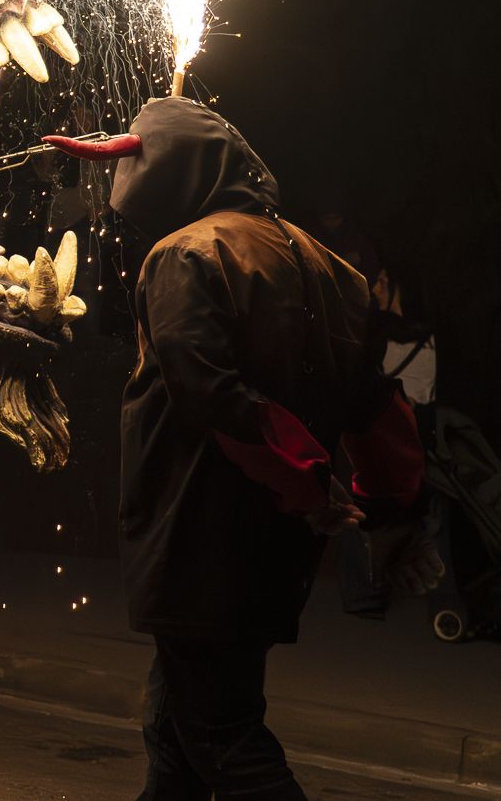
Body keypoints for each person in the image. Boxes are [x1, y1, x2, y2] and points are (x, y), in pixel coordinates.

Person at [47, 99, 442, 799]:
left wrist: (309, 486)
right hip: (271, 545)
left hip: (197, 534)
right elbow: (376, 408)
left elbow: (214, 396)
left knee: (222, 734)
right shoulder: (336, 271)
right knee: (174, 731)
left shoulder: (186, 254)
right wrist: (394, 513)